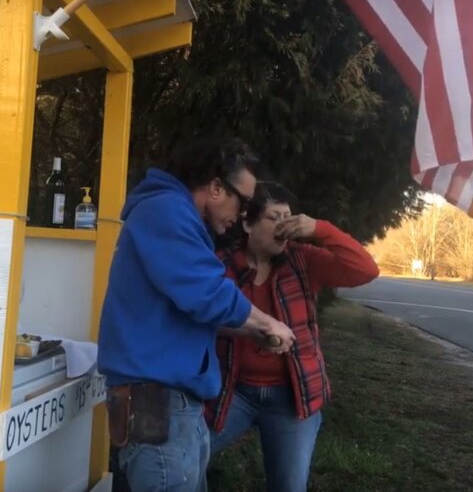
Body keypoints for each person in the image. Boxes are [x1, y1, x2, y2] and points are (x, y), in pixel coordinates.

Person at [98, 138, 297, 492]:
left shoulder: (172, 216)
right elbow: (208, 293)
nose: (243, 216)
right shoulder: (166, 212)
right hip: (156, 404)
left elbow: (191, 308)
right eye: (245, 202)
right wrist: (268, 322)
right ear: (216, 187)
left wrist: (252, 332)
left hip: (172, 404)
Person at [205, 182, 379, 492]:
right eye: (274, 217)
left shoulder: (303, 260)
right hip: (232, 392)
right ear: (247, 223)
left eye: (289, 217)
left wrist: (319, 228)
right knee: (186, 457)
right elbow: (203, 316)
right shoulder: (222, 265)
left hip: (292, 396)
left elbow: (365, 270)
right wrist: (254, 329)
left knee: (289, 486)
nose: (284, 226)